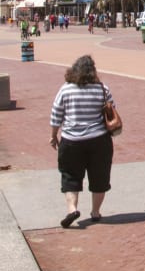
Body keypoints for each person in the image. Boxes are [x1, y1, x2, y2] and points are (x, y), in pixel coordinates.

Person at [49, 55, 116, 228]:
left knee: (70, 175)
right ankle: (95, 212)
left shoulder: (66, 89)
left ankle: (72, 209)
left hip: (71, 140)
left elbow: (56, 114)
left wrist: (53, 135)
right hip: (99, 140)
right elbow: (112, 110)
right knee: (99, 176)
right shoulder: (102, 89)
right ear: (93, 71)